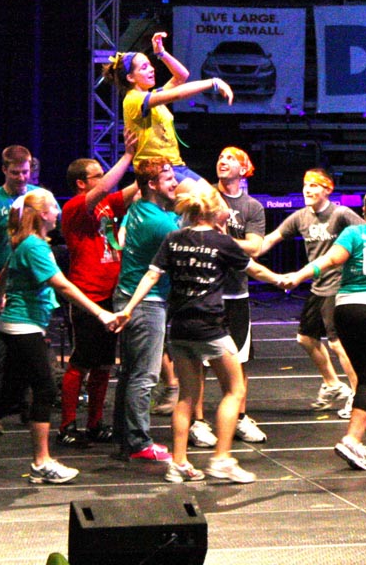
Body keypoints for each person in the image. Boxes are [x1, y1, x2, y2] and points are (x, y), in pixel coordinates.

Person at [0, 190, 120, 484]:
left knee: (8, 395)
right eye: (54, 207)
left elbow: (4, 271)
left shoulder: (30, 244)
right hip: (22, 327)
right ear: (41, 214)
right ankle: (41, 462)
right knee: (44, 389)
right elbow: (62, 286)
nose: (58, 212)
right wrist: (100, 313)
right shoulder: (34, 247)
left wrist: (0, 295)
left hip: (21, 326)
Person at [118, 187, 281, 484]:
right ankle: (222, 458)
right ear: (214, 212)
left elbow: (152, 275)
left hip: (179, 327)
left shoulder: (174, 239)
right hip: (210, 326)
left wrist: (129, 308)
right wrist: (282, 280)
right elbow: (255, 270)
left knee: (186, 396)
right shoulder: (222, 242)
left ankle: (178, 463)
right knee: (234, 389)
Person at [280, 189, 366, 471]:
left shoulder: (353, 235)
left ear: (365, 212)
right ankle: (352, 440)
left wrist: (298, 275)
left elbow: (328, 261)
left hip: (347, 311)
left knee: (365, 377)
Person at [56, 129, 139, 448]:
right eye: (97, 176)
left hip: (112, 294)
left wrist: (149, 168)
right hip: (88, 296)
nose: (104, 180)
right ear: (81, 182)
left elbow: (132, 190)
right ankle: (66, 425)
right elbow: (109, 186)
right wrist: (128, 156)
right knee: (81, 361)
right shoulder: (76, 207)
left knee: (105, 363)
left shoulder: (106, 205)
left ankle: (94, 423)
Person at [256, 168, 358, 417]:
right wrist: (243, 251)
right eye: (305, 185)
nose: (308, 190)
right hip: (317, 285)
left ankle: (358, 397)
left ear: (327, 189)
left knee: (338, 343)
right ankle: (333, 384)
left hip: (340, 285)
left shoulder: (341, 214)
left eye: (314, 185)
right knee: (305, 338)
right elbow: (270, 239)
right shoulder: (300, 217)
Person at [188, 147, 267, 449]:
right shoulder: (205, 197)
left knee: (239, 360)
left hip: (237, 293)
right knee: (201, 361)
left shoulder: (252, 207)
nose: (223, 161)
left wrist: (222, 239)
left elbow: (256, 247)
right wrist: (232, 243)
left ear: (245, 168)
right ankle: (197, 422)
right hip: (207, 291)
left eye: (231, 158)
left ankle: (239, 417)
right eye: (220, 156)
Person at [102, 31, 234, 193]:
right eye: (144, 67)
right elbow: (177, 93)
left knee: (220, 209)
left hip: (175, 165)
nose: (151, 69)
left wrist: (161, 53)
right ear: (130, 77)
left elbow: (182, 76)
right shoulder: (133, 99)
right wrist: (213, 82)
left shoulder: (153, 96)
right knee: (206, 202)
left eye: (150, 64)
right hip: (156, 168)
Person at [112, 157, 180, 461]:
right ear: (152, 185)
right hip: (146, 304)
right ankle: (139, 442)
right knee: (145, 376)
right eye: (169, 180)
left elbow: (122, 238)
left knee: (130, 373)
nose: (175, 184)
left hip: (126, 297)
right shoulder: (162, 223)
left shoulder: (138, 208)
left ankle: (124, 435)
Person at [0, 145, 39, 429]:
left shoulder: (37, 196)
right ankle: (14, 398)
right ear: (4, 170)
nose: (21, 177)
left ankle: (8, 408)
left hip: (26, 287)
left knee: (20, 348)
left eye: (25, 172)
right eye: (15, 172)